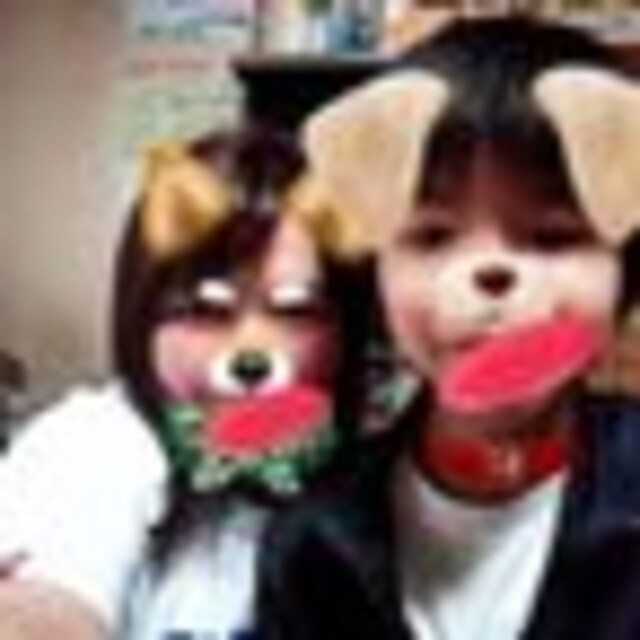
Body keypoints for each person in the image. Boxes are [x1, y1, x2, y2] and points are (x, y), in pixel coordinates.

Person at [254, 17, 640, 640]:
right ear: (374, 269)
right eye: (433, 235)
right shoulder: (312, 542)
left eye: (552, 235)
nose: (492, 269)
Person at [0, 124, 375, 639]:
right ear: (143, 317)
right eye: (205, 312)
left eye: (296, 312)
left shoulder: (371, 482)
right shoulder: (96, 443)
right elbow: (48, 604)